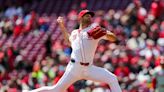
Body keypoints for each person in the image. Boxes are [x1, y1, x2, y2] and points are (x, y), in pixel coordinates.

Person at [25, 9, 122, 92]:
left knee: (112, 78)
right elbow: (68, 41)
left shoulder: (94, 30)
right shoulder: (75, 33)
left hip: (89, 69)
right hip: (74, 68)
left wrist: (105, 33)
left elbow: (113, 38)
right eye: (86, 15)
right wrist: (62, 26)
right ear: (80, 18)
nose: (89, 17)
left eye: (90, 16)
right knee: (56, 90)